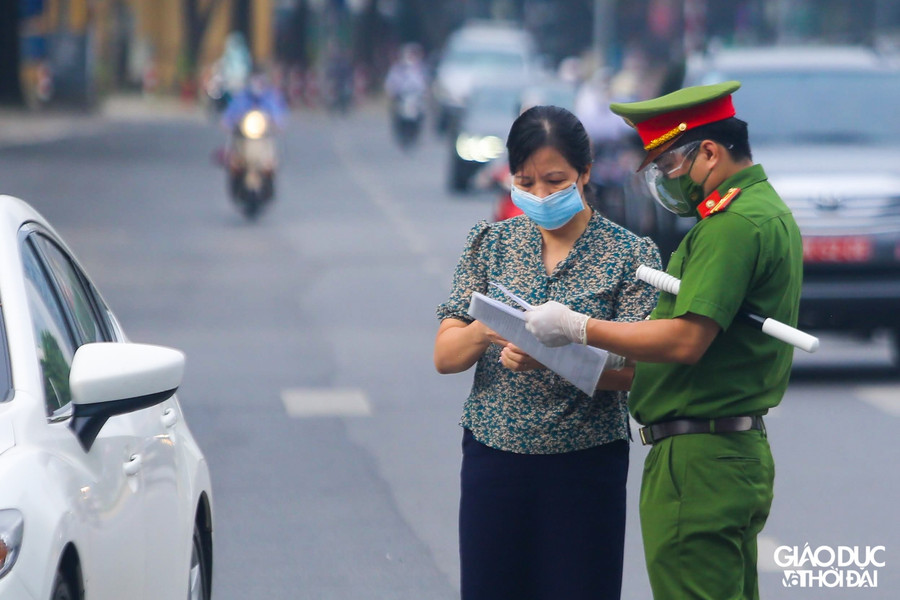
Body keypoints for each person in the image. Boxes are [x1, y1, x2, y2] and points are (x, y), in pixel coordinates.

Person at [522, 81, 803, 599]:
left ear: (711, 153)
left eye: (670, 164)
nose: (666, 180)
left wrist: (575, 326)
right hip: (729, 453)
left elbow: (685, 341)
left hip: (698, 462)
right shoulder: (767, 210)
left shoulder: (731, 225)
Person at [434, 105, 661, 600]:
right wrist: (489, 330)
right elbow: (445, 354)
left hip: (585, 465)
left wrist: (556, 353)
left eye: (555, 180)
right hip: (494, 459)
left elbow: (642, 370)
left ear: (585, 172)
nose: (540, 195)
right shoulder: (490, 244)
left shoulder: (630, 256)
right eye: (526, 181)